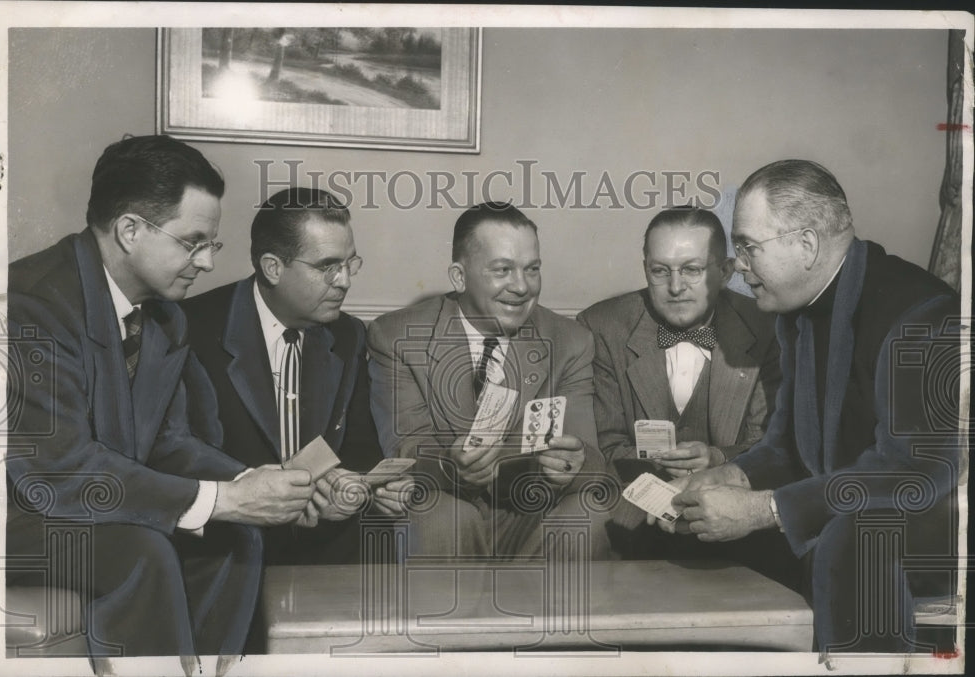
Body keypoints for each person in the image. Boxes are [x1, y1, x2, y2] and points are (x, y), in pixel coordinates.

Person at [6, 135, 316, 665]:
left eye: (210, 245)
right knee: (141, 552)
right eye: (193, 241)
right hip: (16, 513)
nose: (207, 263)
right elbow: (58, 472)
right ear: (129, 230)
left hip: (84, 501)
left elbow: (170, 443)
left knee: (235, 540)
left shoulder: (165, 315)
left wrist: (250, 483)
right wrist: (223, 500)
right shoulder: (32, 304)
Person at [659, 160, 961, 652]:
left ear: (807, 245)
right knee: (690, 530)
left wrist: (762, 509)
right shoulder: (799, 309)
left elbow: (916, 472)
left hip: (934, 523)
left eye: (749, 247)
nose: (738, 265)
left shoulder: (922, 314)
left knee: (856, 540)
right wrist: (726, 477)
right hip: (846, 507)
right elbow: (788, 449)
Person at [183, 187, 410, 570]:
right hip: (232, 531)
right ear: (273, 267)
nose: (344, 282)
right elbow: (183, 454)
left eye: (349, 264)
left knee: (375, 534)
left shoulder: (347, 335)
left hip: (321, 532)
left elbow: (358, 444)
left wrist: (360, 485)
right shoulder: (193, 329)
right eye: (328, 267)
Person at [368, 202, 610, 559]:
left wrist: (573, 464)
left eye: (532, 269)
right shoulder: (396, 336)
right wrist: (452, 464)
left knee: (591, 515)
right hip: (445, 505)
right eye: (502, 270)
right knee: (441, 519)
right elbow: (406, 447)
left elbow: (589, 457)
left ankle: (549, 615)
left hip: (530, 511)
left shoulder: (570, 340)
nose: (521, 286)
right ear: (459, 277)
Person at [578, 207, 792, 582]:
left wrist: (716, 457)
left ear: (725, 272)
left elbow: (772, 444)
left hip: (735, 518)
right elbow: (603, 446)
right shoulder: (601, 326)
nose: (676, 287)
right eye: (660, 271)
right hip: (634, 514)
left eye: (692, 270)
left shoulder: (769, 327)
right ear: (646, 268)